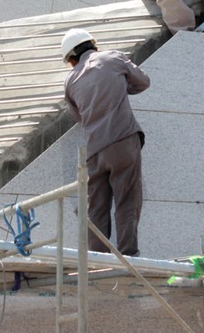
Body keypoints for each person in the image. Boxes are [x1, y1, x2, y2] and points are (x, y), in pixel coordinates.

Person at [61, 28, 150, 256]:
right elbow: (143, 82)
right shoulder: (113, 57)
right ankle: (129, 255)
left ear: (72, 58)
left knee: (97, 207)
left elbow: (80, 117)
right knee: (127, 199)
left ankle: (98, 258)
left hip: (94, 150)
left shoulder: (70, 81)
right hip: (122, 139)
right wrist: (120, 88)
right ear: (93, 44)